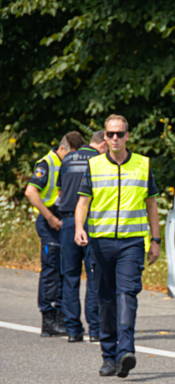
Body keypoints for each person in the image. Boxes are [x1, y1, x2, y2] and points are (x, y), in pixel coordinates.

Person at [74, 115, 161, 378]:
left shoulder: (143, 166)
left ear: (128, 136)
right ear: (105, 136)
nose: (114, 138)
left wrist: (155, 241)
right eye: (110, 134)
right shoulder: (95, 165)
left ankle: (126, 352)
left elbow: (152, 205)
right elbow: (82, 203)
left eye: (119, 134)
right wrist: (79, 227)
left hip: (131, 243)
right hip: (100, 243)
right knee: (105, 299)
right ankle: (108, 357)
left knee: (127, 295)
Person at [25, 131, 85, 336]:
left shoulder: (67, 162)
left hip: (63, 220)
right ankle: (49, 319)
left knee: (63, 269)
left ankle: (61, 315)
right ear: (62, 149)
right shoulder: (47, 163)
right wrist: (50, 217)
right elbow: (30, 192)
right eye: (72, 155)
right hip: (50, 219)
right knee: (51, 269)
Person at [57, 130, 107, 342]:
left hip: (68, 222)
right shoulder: (99, 160)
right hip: (91, 221)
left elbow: (60, 193)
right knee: (94, 275)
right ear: (103, 144)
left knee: (70, 277)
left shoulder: (67, 159)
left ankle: (72, 329)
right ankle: (95, 329)